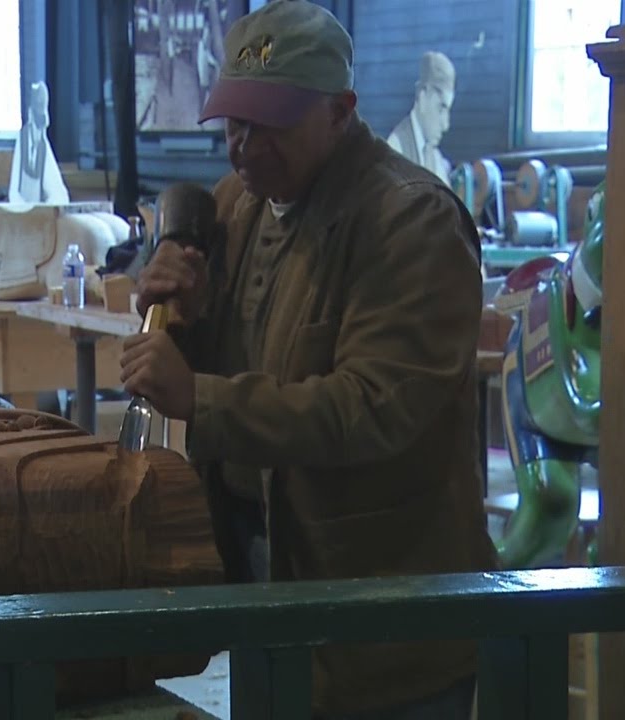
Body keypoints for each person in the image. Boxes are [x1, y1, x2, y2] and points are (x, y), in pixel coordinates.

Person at [119, 1, 498, 718]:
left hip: (384, 613)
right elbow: (246, 357)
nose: (245, 147)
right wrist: (186, 322)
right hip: (267, 582)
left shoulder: (412, 222)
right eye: (234, 122)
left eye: (272, 124)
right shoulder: (238, 203)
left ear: (340, 111)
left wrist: (199, 395)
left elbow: (372, 407)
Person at [387, 51, 457, 184]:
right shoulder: (396, 147)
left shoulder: (435, 157)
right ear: (423, 96)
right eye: (441, 108)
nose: (445, 125)